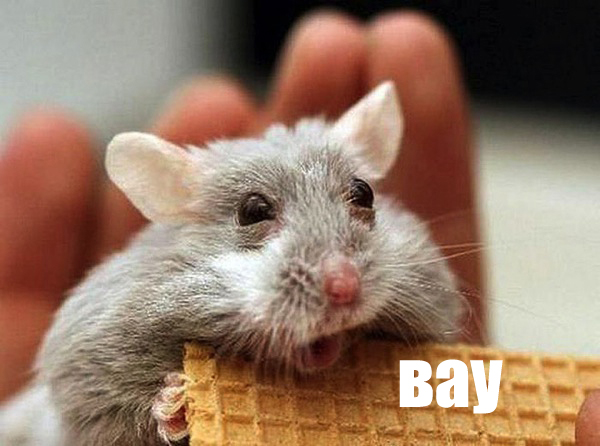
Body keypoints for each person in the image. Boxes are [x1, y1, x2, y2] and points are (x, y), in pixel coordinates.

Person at [0, 10, 596, 444]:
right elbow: (82, 388)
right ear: (166, 192)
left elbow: (448, 378)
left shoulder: (404, 292)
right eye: (257, 216)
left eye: (358, 200)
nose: (341, 281)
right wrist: (153, 416)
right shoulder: (130, 312)